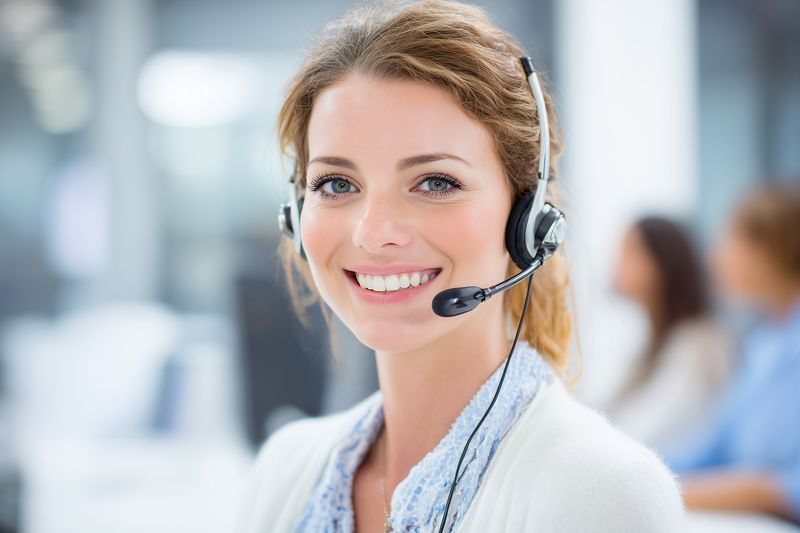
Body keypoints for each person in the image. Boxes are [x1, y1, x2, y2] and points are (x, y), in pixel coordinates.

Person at [236, 1, 685, 531]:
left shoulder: (602, 491)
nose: (374, 233)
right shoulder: (285, 467)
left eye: (435, 183)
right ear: (296, 213)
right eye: (336, 184)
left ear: (527, 219)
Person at [665, 183, 800, 523]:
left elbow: (784, 488)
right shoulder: (767, 342)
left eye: (731, 240)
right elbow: (714, 445)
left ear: (772, 247)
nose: (715, 257)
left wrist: (661, 489)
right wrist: (640, 469)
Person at [605, 216, 733, 449]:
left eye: (630, 251)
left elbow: (645, 431)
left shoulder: (698, 345)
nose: (617, 262)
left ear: (663, 264)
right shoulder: (653, 341)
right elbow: (609, 408)